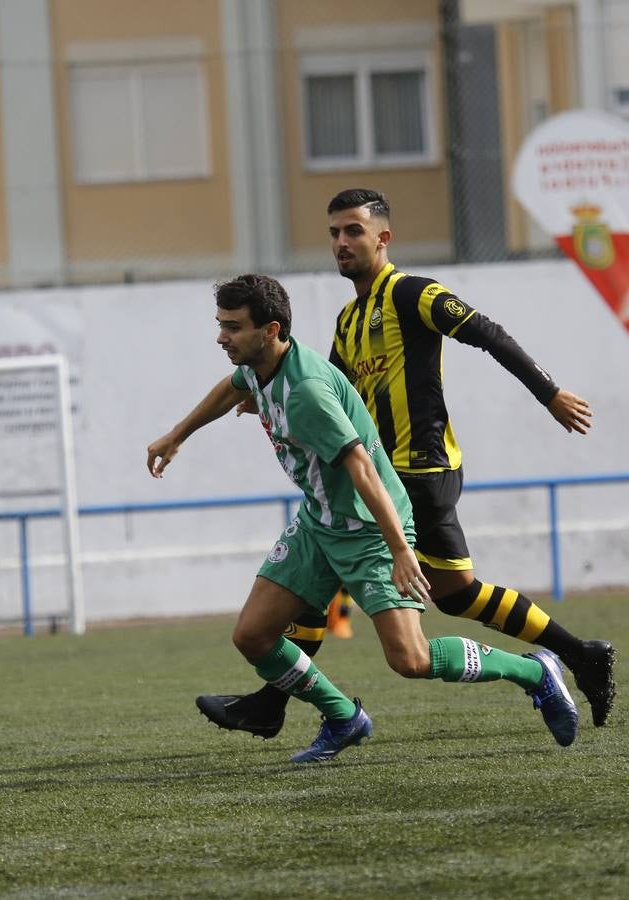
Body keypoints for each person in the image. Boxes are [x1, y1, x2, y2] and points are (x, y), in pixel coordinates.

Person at [196, 188, 616, 740]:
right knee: (450, 592)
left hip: (417, 470)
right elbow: (329, 391)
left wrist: (550, 393)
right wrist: (264, 401)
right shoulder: (348, 320)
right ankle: (577, 654)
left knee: (387, 587)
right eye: (334, 233)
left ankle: (281, 703)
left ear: (383, 238)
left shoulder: (414, 294)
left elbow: (489, 335)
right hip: (370, 475)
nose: (341, 243)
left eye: (353, 231)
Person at [147, 274, 579, 762]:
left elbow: (363, 468)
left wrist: (399, 550)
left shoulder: (307, 391)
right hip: (319, 524)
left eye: (233, 327)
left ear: (270, 330)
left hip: (370, 532)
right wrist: (177, 435)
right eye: (221, 325)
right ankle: (342, 716)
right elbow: (231, 388)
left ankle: (535, 672)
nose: (221, 337)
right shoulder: (259, 368)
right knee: (252, 635)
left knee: (411, 659)